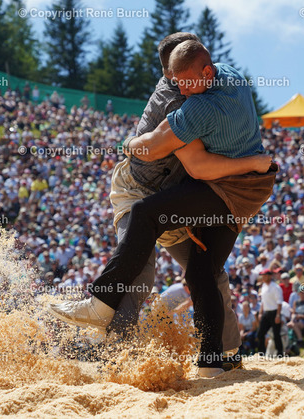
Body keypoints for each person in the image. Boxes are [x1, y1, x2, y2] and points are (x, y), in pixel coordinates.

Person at [49, 40, 276, 376]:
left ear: (207, 70)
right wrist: (253, 163)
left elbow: (185, 162)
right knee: (201, 271)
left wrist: (127, 143)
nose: (182, 88)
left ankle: (101, 304)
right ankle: (213, 361)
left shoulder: (195, 108)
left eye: (186, 81)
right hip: (237, 188)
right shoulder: (230, 78)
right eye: (176, 80)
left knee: (151, 221)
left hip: (220, 188)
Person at [104, 32, 243, 370]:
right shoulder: (180, 102)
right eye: (175, 75)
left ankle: (226, 351)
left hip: (173, 199)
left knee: (209, 274)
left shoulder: (207, 88)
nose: (180, 82)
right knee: (138, 270)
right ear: (170, 72)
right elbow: (195, 162)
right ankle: (121, 356)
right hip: (137, 191)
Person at [256, 269, 284, 357]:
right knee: (260, 333)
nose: (263, 277)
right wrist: (260, 313)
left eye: (264, 275)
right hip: (266, 312)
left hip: (275, 312)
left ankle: (280, 354)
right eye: (262, 276)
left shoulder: (276, 287)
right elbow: (263, 301)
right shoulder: (263, 286)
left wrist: (278, 315)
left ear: (269, 276)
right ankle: (261, 354)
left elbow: (279, 302)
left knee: (276, 335)